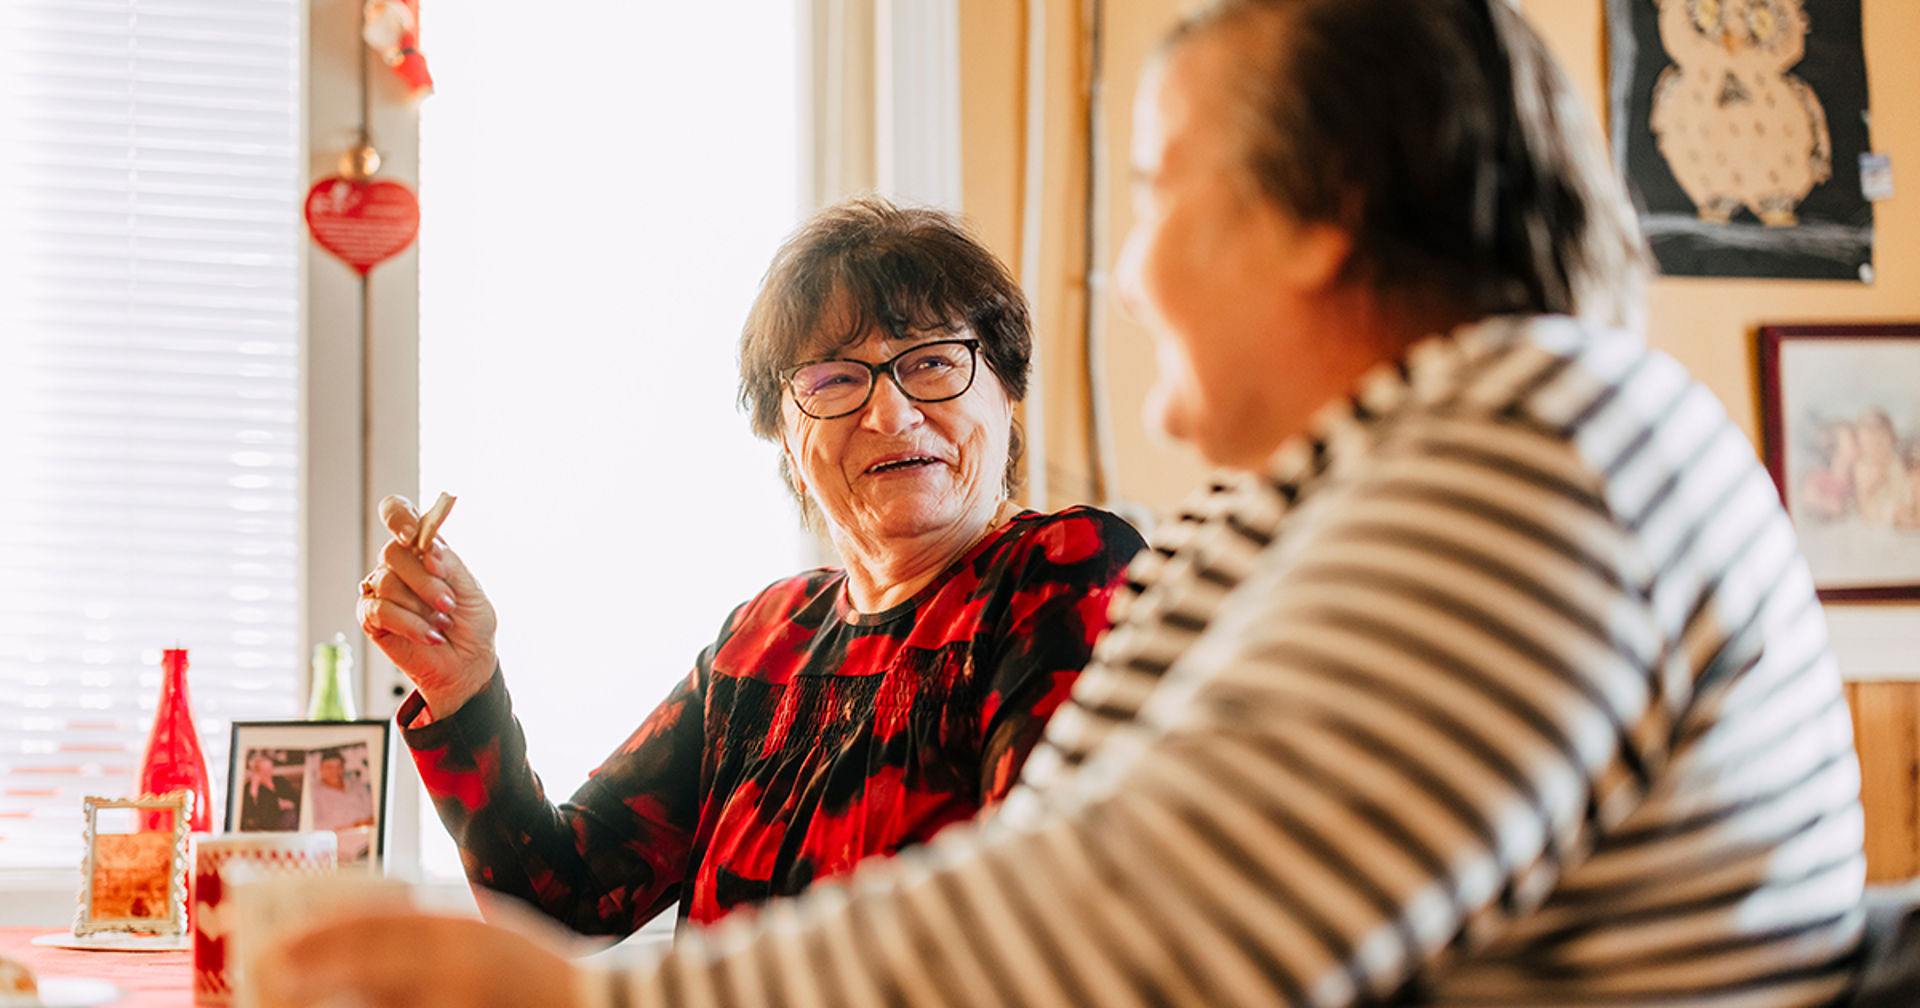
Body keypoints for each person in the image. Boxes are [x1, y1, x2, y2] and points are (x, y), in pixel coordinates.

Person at [264, 2, 1867, 1005]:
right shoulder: (1297, 515)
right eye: (838, 379)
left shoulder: (1538, 438)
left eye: (1164, 188)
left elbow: (1140, 934)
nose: (1129, 264)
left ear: (1330, 212)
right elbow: (1084, 881)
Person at [353, 196, 1146, 934]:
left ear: (1006, 394)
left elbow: (1041, 912)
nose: (890, 411)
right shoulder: (764, 641)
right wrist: (460, 685)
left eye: (933, 362)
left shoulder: (1065, 571)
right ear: (788, 442)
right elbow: (561, 900)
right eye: (836, 379)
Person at [307, 748, 376, 863]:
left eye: (338, 767)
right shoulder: (315, 793)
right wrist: (353, 825)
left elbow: (374, 812)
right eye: (329, 768)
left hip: (369, 845)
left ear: (344, 767)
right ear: (321, 769)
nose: (335, 772)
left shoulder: (358, 786)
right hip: (340, 851)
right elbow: (314, 827)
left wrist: (366, 822)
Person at [235, 749, 300, 832]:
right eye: (264, 771)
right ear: (256, 771)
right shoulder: (250, 787)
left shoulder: (280, 781)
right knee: (290, 816)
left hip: (288, 817)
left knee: (291, 815)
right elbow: (249, 812)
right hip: (269, 824)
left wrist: (290, 804)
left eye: (270, 769)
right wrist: (254, 788)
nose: (268, 773)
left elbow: (295, 799)